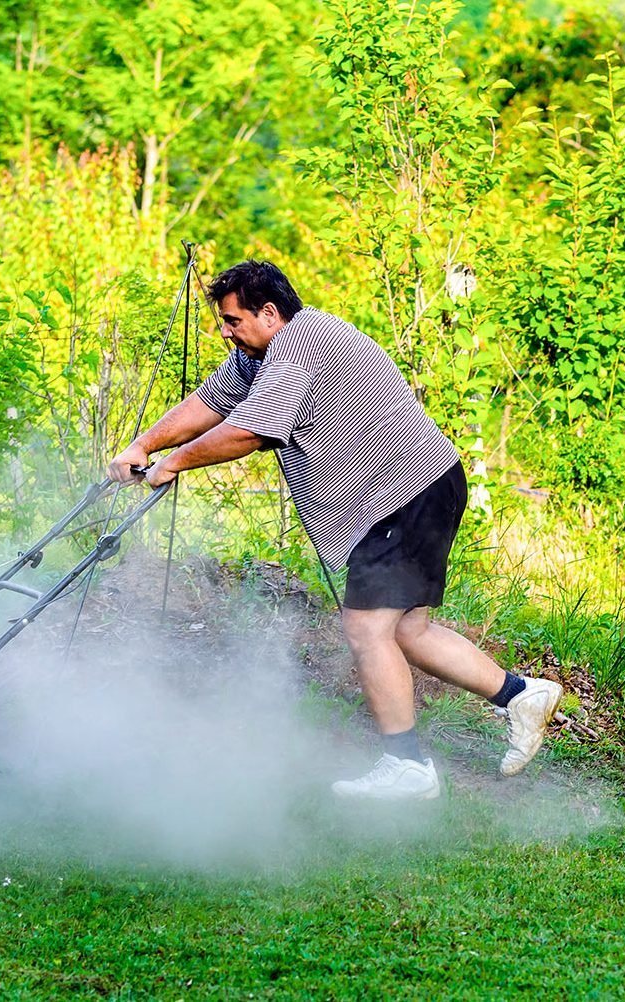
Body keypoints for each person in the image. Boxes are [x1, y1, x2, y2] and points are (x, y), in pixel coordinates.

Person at [107, 260, 562, 801]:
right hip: (412, 490)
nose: (225, 331)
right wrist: (144, 446)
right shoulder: (258, 356)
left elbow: (250, 432)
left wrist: (174, 463)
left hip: (407, 490)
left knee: (366, 630)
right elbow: (210, 404)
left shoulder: (300, 341)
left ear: (269, 313)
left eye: (232, 320)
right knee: (407, 631)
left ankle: (408, 767)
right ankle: (521, 695)